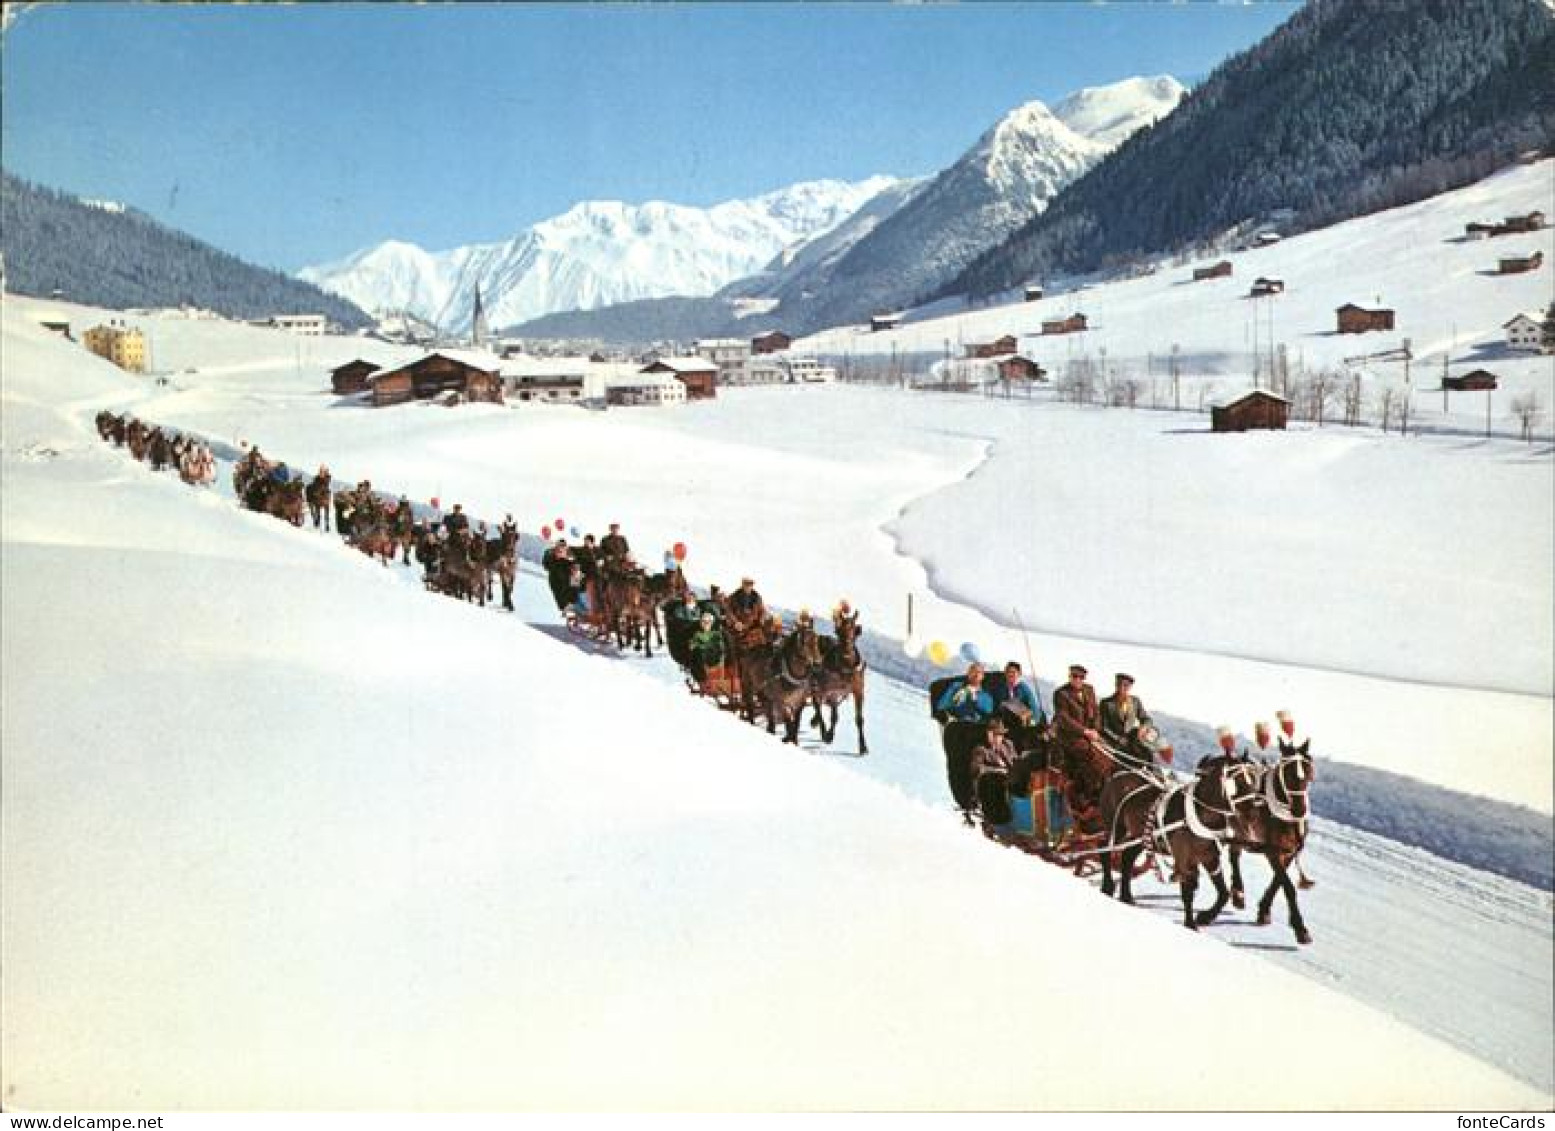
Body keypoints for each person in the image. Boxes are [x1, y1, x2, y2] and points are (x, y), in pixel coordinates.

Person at [970, 715, 1018, 828]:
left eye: (1000, 735)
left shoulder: (1008, 745)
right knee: (993, 781)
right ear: (988, 734)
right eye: (994, 734)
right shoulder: (981, 749)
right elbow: (977, 769)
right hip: (991, 787)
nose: (997, 738)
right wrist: (1000, 770)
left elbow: (1017, 762)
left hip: (1012, 781)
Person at [987, 661, 1046, 729]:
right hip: (1004, 720)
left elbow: (1034, 709)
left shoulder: (1024, 689)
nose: (1010, 674)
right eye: (1008, 672)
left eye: (1013, 672)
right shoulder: (1000, 687)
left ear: (1019, 674)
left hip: (1022, 722)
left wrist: (1032, 723)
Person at [687, 612, 726, 684]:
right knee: (696, 654)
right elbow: (692, 645)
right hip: (702, 659)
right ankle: (701, 676)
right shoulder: (697, 634)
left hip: (714, 657)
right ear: (701, 623)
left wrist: (701, 645)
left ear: (711, 623)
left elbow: (719, 645)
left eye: (708, 622)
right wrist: (695, 645)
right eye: (704, 622)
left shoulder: (716, 634)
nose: (706, 624)